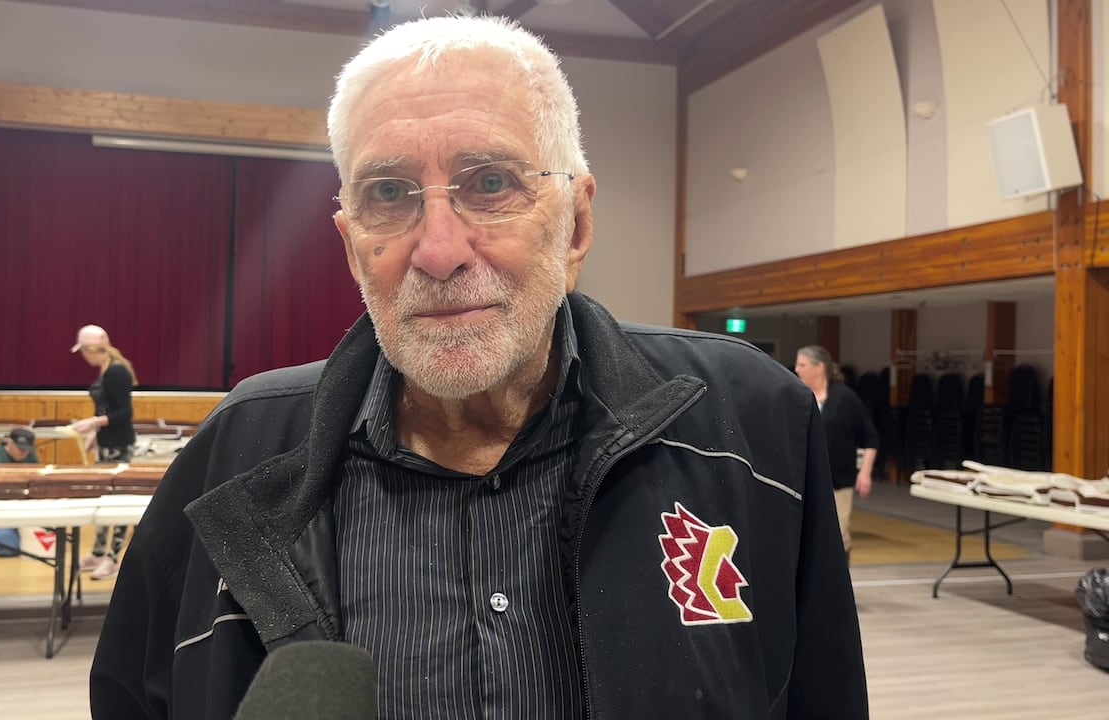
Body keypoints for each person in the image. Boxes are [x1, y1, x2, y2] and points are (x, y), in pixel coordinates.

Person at [90, 16, 867, 719]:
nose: (437, 250)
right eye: (389, 193)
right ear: (350, 241)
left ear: (576, 224)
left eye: (490, 183)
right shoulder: (237, 452)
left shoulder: (750, 421)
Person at [795, 345, 879, 560]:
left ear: (819, 367)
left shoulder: (844, 397)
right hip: (803, 479)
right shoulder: (798, 396)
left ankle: (839, 583)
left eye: (802, 365)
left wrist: (865, 472)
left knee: (838, 533)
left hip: (838, 479)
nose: (797, 369)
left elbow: (869, 436)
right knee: (806, 534)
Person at [70, 324, 136, 580]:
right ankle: (98, 551)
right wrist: (94, 434)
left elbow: (124, 414)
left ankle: (112, 558)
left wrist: (95, 423)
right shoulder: (107, 370)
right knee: (102, 499)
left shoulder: (116, 372)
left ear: (90, 349)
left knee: (117, 503)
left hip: (119, 446)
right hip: (107, 443)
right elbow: (106, 410)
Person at [0, 426, 41, 557]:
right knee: (7, 549)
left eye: (27, 450)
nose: (23, 453)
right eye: (20, 449)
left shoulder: (32, 457)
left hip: (26, 507)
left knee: (41, 544)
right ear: (9, 442)